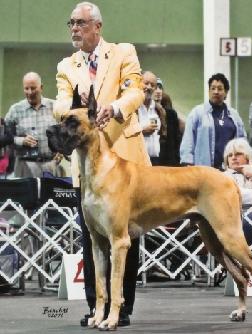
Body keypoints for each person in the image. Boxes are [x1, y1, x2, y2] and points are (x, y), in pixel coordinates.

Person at [53, 1, 150, 327]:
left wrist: (115, 108)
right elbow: (61, 103)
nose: (74, 29)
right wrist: (78, 109)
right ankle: (97, 306)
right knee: (91, 236)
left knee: (126, 237)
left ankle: (122, 308)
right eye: (71, 23)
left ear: (97, 26)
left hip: (125, 156)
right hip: (89, 166)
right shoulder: (67, 66)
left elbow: (135, 90)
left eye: (80, 23)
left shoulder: (124, 53)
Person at [180, 73, 246, 170]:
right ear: (209, 91)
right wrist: (187, 162)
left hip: (229, 169)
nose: (216, 92)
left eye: (220, 89)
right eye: (213, 88)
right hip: (204, 170)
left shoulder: (234, 115)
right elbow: (188, 140)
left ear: (226, 92)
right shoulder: (197, 113)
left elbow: (242, 141)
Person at [4, 72, 62, 178]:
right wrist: (21, 141)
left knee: (49, 195)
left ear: (41, 87)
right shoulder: (15, 110)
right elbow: (5, 138)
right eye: (26, 88)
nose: (30, 92)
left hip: (50, 166)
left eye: (33, 88)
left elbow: (65, 134)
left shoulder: (55, 107)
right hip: (23, 166)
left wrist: (62, 151)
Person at [138, 71, 167, 165]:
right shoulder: (132, 108)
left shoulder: (159, 110)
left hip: (155, 161)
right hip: (137, 161)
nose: (149, 87)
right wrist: (142, 131)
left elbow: (163, 136)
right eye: (146, 83)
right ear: (139, 84)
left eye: (152, 85)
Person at [153, 77, 183, 166]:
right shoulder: (143, 113)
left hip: (169, 163)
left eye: (160, 88)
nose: (158, 91)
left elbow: (176, 141)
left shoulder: (171, 114)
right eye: (155, 88)